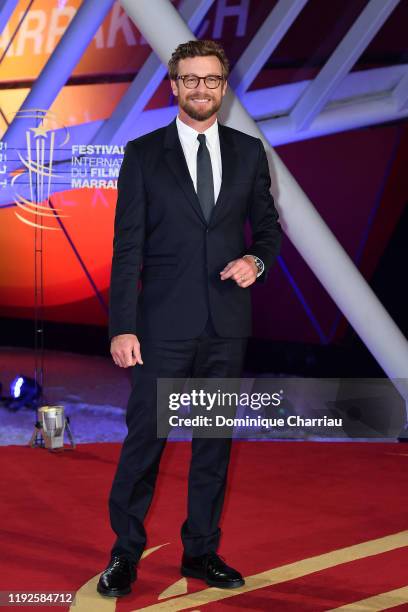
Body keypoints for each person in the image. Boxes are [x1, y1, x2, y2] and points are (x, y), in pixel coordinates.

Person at [97, 39, 282, 598]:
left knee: (212, 446)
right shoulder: (143, 154)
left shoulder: (250, 153)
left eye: (211, 79)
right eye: (189, 79)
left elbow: (268, 231)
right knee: (144, 444)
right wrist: (122, 325)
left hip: (225, 327)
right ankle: (124, 554)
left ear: (224, 88)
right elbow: (126, 247)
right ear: (173, 85)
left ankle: (201, 553)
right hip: (160, 328)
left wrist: (256, 260)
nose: (201, 88)